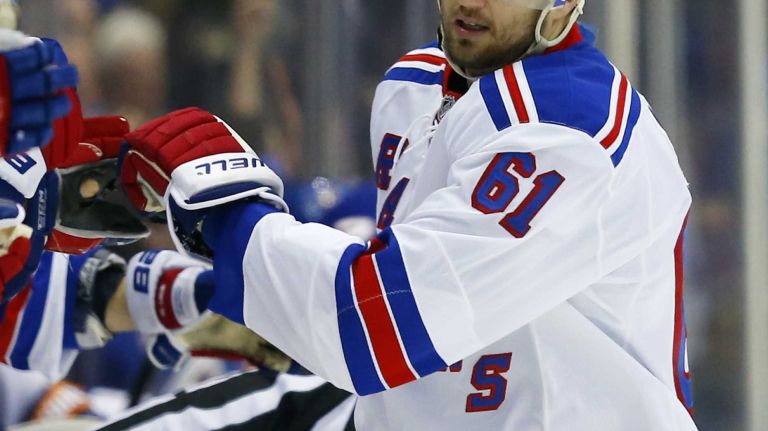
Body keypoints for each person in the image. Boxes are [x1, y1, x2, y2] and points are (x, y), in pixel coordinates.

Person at [119, 0, 697, 429]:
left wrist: (228, 218)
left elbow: (376, 328)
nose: (469, 1)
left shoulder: (573, 133)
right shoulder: (415, 86)